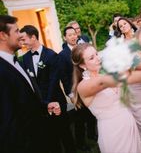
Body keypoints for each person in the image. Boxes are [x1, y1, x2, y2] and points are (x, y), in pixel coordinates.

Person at [71, 42, 141, 153]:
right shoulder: (83, 86)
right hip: (112, 131)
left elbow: (128, 77)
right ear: (82, 65)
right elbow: (106, 82)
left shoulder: (105, 73)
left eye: (96, 54)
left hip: (128, 122)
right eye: (91, 58)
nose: (98, 59)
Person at [0, 15, 61, 153]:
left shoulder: (15, 61)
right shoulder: (2, 70)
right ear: (3, 35)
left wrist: (44, 106)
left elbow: (22, 99)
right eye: (16, 31)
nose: (20, 36)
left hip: (41, 134)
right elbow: (7, 120)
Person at [20, 25, 76, 153]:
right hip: (41, 105)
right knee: (50, 136)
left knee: (65, 133)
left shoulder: (51, 55)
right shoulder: (25, 58)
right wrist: (42, 104)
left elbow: (53, 81)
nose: (22, 43)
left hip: (56, 101)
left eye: (24, 39)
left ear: (33, 37)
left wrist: (47, 102)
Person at [58, 26, 96, 151]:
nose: (73, 37)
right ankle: (81, 143)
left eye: (74, 34)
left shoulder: (82, 49)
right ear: (65, 37)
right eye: (69, 35)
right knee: (79, 120)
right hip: (76, 91)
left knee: (91, 113)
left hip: (88, 85)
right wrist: (71, 94)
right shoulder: (62, 55)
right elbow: (64, 77)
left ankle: (92, 134)